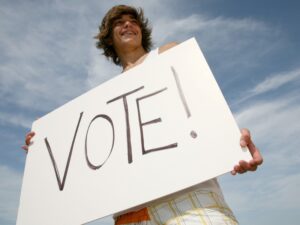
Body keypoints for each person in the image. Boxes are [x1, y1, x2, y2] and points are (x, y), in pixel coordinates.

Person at [22, 5, 263, 225]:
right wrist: (43, 151)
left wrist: (231, 140)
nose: (127, 24)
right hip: (131, 217)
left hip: (191, 205)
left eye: (132, 20)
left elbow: (202, 104)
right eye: (119, 22)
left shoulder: (169, 54)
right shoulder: (103, 104)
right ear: (109, 37)